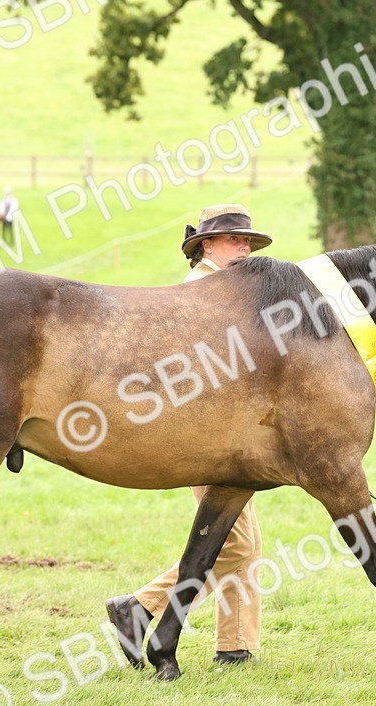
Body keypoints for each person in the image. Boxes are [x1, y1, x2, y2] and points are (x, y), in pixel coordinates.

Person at [105, 204, 274, 668]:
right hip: (207, 437)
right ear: (207, 246)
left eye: (248, 241)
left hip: (234, 433)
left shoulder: (226, 292)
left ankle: (235, 646)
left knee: (246, 541)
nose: (245, 248)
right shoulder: (200, 295)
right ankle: (139, 608)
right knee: (231, 542)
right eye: (236, 240)